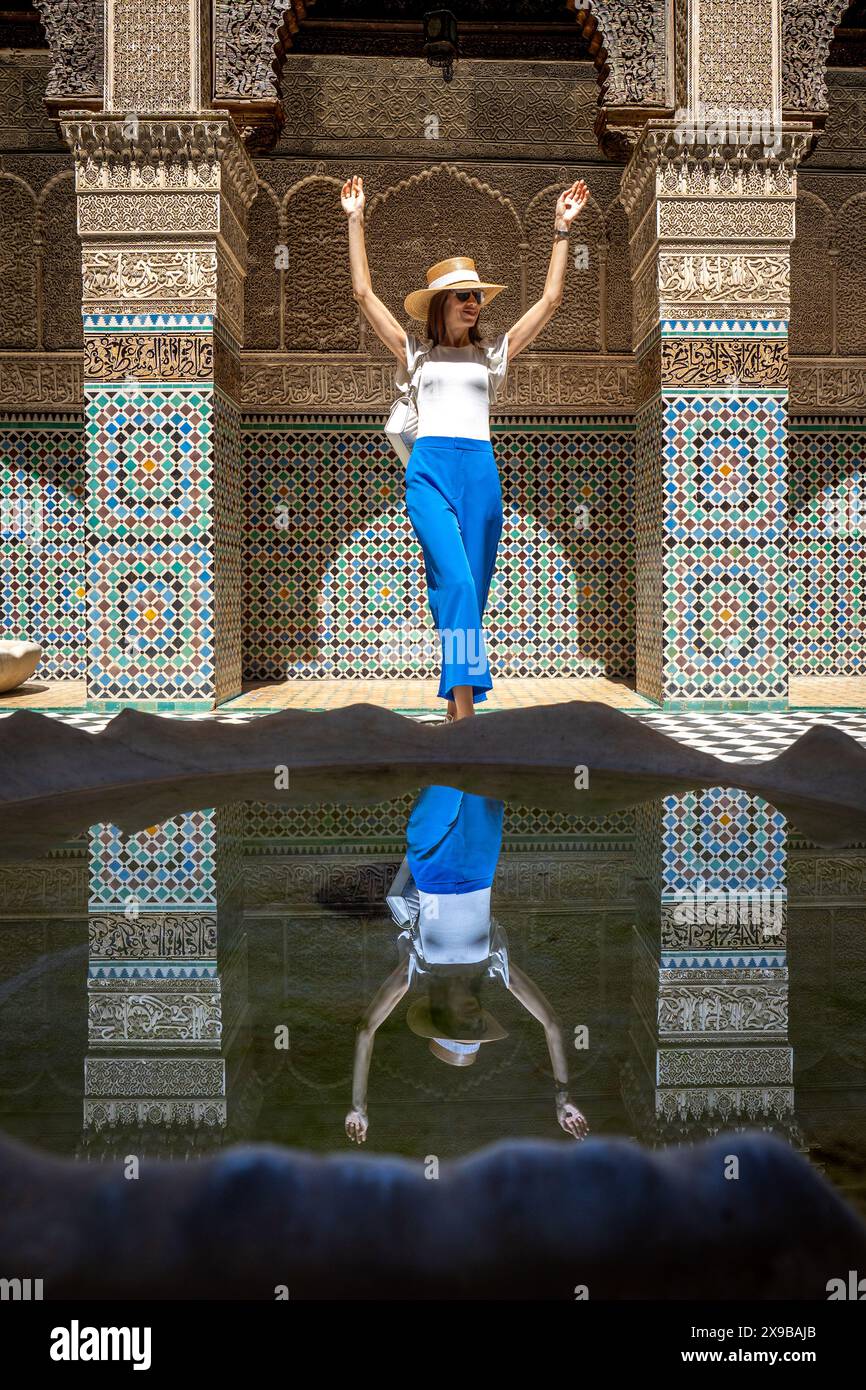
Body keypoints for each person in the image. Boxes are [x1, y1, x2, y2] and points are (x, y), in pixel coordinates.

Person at [341, 175, 589, 721]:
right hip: (429, 472)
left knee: (467, 594)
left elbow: (550, 301)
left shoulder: (492, 357)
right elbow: (363, 294)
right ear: (440, 305)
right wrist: (355, 218)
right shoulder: (416, 356)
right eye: (464, 295)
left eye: (478, 295)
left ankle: (456, 708)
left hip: (480, 472)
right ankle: (468, 718)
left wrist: (561, 230)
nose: (474, 302)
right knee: (453, 579)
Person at [344, 783, 590, 1145]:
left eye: (465, 1024)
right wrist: (563, 1095)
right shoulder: (494, 965)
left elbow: (366, 1029)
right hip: (479, 861)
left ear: (443, 1014)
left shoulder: (419, 966)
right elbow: (551, 1023)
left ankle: (455, 725)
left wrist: (358, 1104)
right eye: (478, 1026)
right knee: (480, 763)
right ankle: (463, 723)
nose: (476, 1017)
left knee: (449, 767)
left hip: (430, 862)